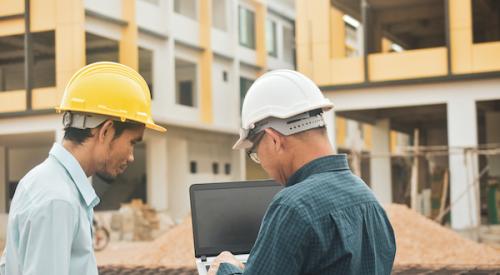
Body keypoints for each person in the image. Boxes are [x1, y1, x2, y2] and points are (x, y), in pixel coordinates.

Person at [208, 70, 396, 275]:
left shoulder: (293, 206)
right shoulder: (369, 200)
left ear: (274, 140)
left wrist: (224, 269)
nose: (263, 165)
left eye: (256, 154)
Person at [0, 62, 166, 275]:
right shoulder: (58, 200)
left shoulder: (42, 182)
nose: (132, 156)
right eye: (133, 142)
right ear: (106, 131)